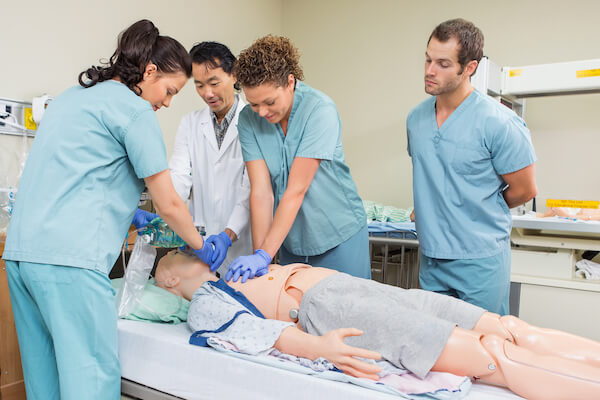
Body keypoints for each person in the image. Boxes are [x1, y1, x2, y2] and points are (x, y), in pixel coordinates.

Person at [2, 20, 214, 400]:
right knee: (91, 377)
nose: (166, 102)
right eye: (169, 91)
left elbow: (77, 174)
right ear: (150, 71)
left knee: (44, 377)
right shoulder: (135, 112)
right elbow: (168, 202)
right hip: (71, 261)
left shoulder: (71, 98)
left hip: (21, 256)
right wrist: (198, 243)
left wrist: (127, 210)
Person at [155, 250, 600, 400]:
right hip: (324, 307)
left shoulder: (235, 267)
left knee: (506, 327)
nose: (189, 247)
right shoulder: (204, 302)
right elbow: (249, 333)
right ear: (169, 279)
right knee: (488, 354)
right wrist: (318, 349)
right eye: (176, 253)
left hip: (349, 286)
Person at [407, 19, 537, 314]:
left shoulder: (499, 123)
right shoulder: (415, 120)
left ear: (469, 68)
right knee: (436, 345)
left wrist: (476, 208)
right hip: (432, 257)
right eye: (428, 60)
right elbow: (434, 175)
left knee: (483, 348)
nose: (429, 70)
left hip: (480, 260)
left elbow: (525, 189)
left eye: (442, 63)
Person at [227, 35, 369, 282]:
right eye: (254, 104)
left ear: (290, 82)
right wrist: (263, 259)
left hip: (338, 233)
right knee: (296, 313)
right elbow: (261, 193)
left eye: (269, 102)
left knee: (347, 312)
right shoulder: (248, 120)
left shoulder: (319, 110)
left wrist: (263, 254)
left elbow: (296, 190)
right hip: (291, 239)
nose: (262, 112)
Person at [167, 42, 252, 274]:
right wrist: (172, 220)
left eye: (214, 83)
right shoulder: (190, 123)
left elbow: (251, 190)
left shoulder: (254, 122)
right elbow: (179, 176)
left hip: (240, 247)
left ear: (233, 75)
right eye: (200, 85)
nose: (208, 93)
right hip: (199, 246)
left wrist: (228, 234)